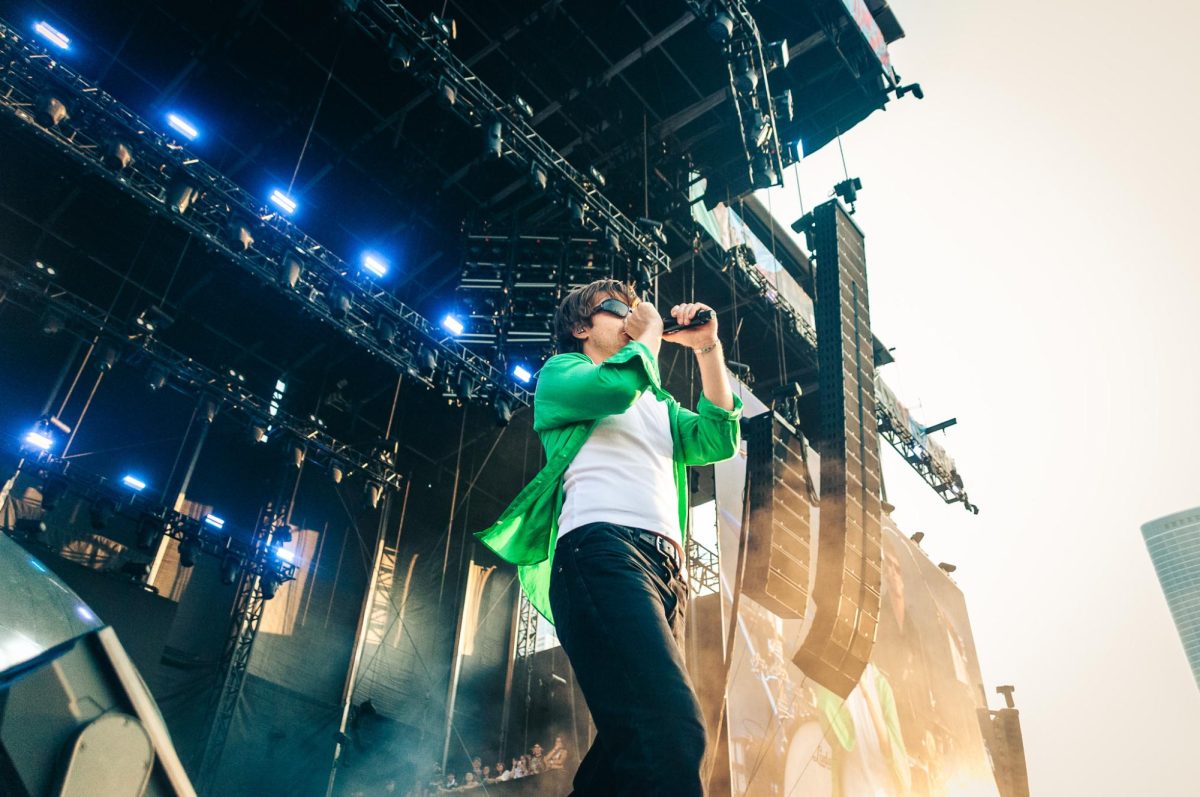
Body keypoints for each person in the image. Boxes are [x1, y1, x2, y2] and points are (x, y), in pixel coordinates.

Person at [477, 279, 742, 796]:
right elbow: (616, 388)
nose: (633, 316)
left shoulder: (658, 402)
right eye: (618, 309)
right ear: (581, 327)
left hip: (667, 575)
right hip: (601, 551)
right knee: (674, 730)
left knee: (625, 750)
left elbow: (718, 437)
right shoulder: (564, 374)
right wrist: (649, 338)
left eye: (636, 309)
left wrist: (709, 348)